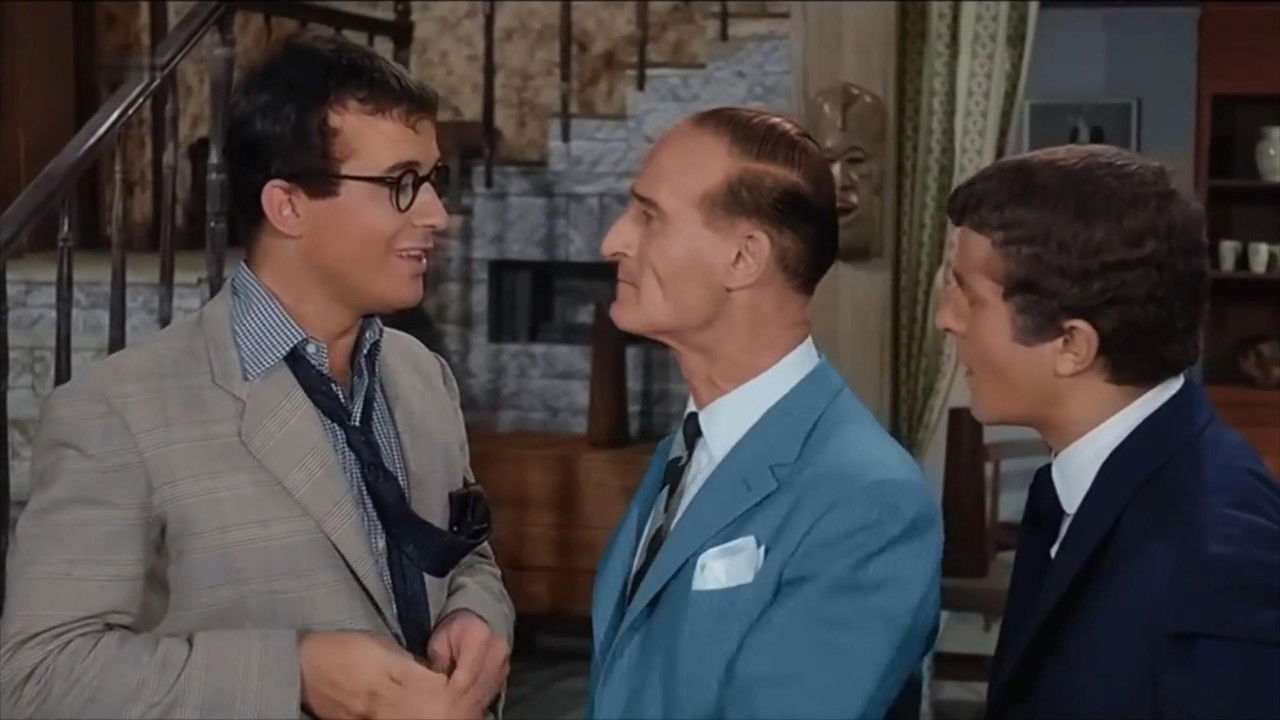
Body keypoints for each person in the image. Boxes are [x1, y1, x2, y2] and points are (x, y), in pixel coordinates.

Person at [0, 33, 513, 719]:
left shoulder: (423, 375)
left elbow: (468, 559)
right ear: (288, 205)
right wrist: (293, 674)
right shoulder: (116, 413)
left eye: (433, 180)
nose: (436, 215)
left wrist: (478, 616)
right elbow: (37, 677)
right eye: (401, 185)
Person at [587, 107, 942, 719]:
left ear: (744, 258)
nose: (613, 240)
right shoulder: (688, 447)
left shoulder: (869, 499)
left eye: (649, 216)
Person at [935, 144, 1280, 719]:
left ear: (1072, 345)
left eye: (968, 297)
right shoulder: (1083, 482)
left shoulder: (1214, 563)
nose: (946, 319)